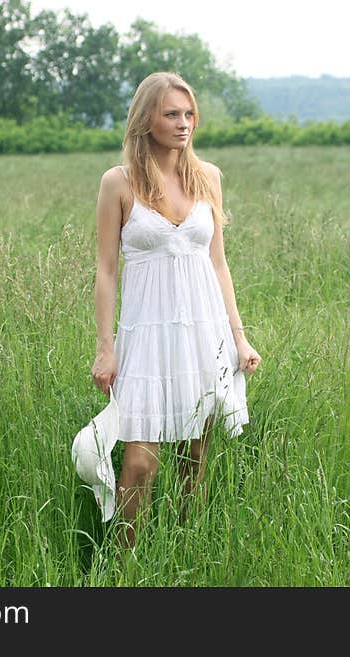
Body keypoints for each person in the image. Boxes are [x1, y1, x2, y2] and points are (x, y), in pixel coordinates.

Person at [91, 71, 261, 548]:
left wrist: (240, 337)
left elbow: (219, 263)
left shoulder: (208, 177)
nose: (184, 123)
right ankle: (121, 569)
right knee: (140, 462)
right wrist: (106, 349)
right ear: (146, 118)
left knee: (194, 459)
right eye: (171, 114)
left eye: (189, 114)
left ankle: (185, 557)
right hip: (146, 336)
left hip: (204, 333)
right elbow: (106, 270)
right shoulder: (118, 183)